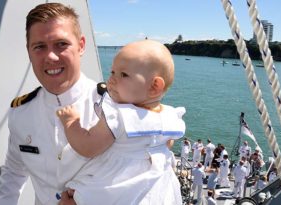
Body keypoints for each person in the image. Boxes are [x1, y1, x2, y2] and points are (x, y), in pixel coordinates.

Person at [0, 3, 103, 205]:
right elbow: (14, 172)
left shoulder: (111, 106)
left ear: (81, 45)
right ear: (29, 51)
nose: (51, 57)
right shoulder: (21, 112)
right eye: (39, 47)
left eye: (61, 44)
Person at [56, 40, 186, 204]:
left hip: (112, 188)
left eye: (123, 75)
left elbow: (87, 147)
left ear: (154, 86)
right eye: (112, 72)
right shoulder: (170, 116)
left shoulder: (119, 116)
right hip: (154, 191)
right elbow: (167, 144)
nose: (111, 80)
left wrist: (71, 121)